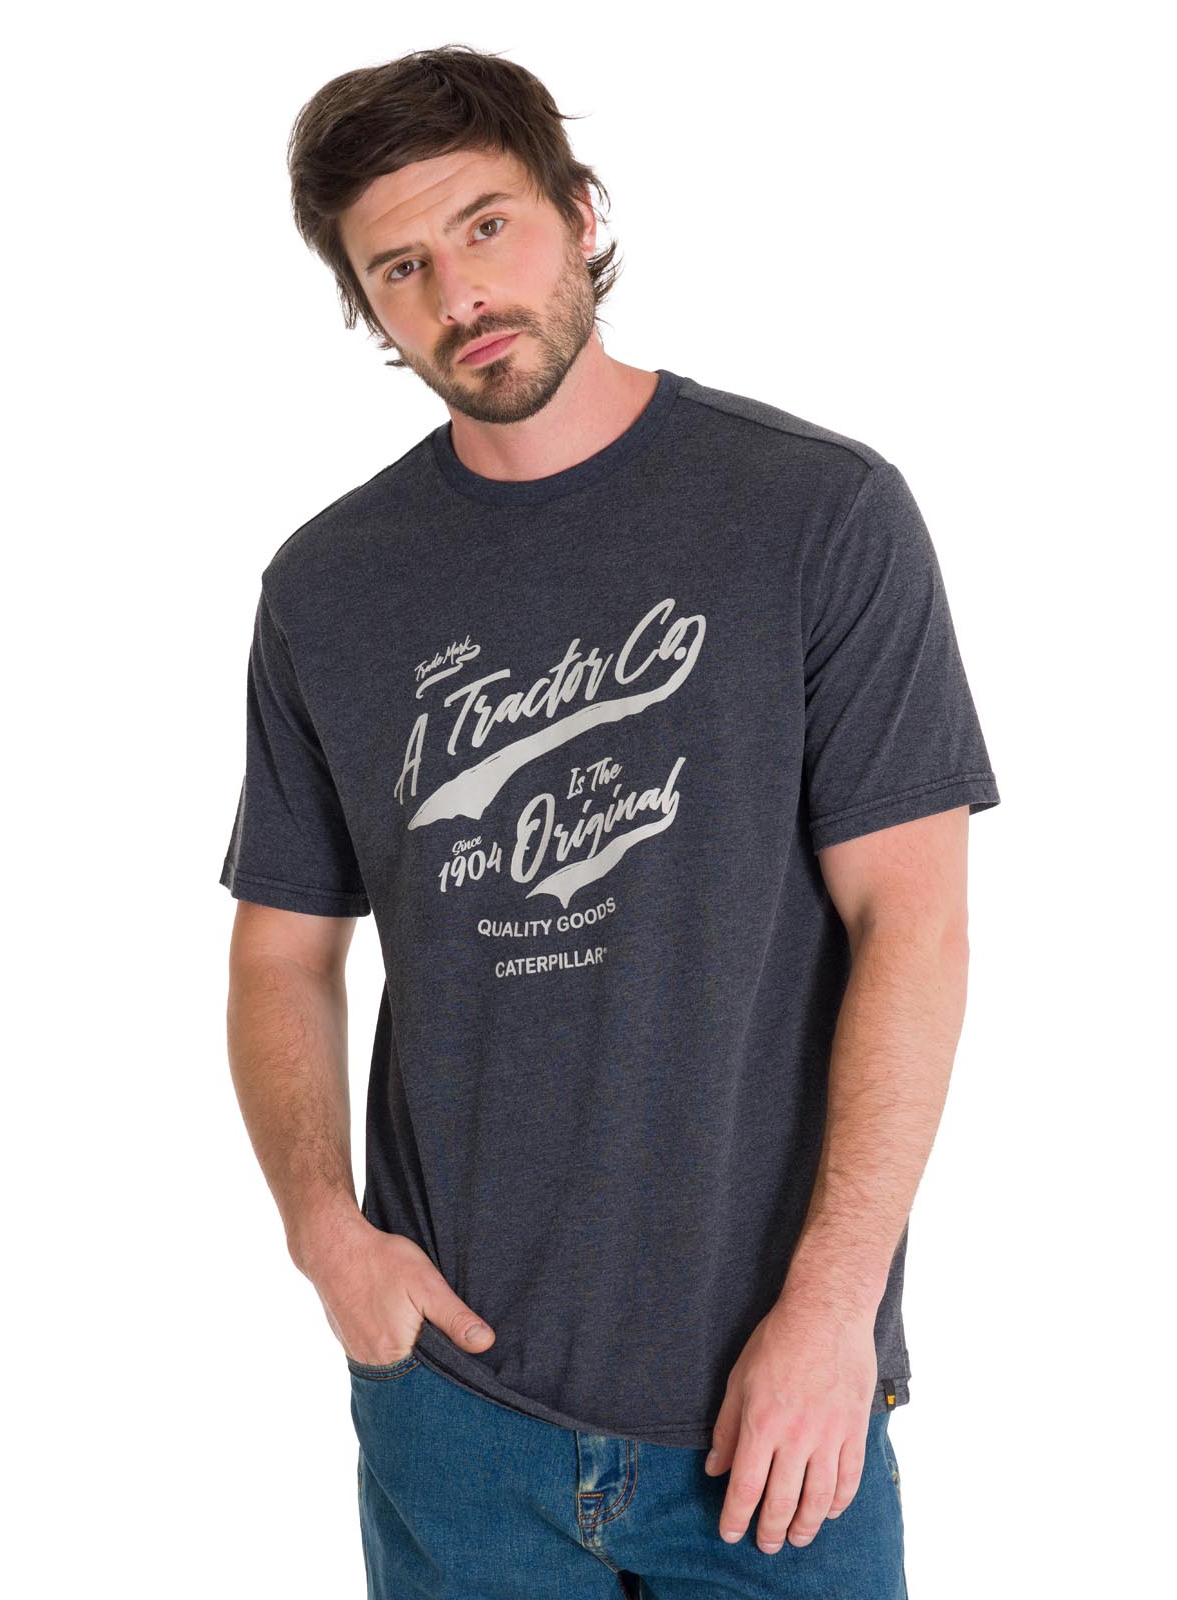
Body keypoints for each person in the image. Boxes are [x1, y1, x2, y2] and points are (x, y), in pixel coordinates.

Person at [219, 43, 1000, 1599]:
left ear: (579, 214)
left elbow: (911, 923)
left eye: (487, 225)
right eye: (400, 267)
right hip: (455, 1407)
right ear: (369, 306)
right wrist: (326, 1235)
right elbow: (278, 956)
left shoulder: (816, 515)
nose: (459, 293)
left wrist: (832, 1313)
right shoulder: (329, 588)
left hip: (772, 1409)